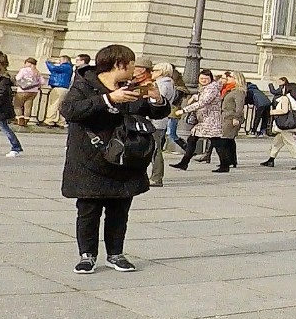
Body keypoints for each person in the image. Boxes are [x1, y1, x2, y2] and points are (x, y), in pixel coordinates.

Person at [60, 44, 169, 272]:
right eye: (131, 65)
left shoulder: (129, 87)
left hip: (124, 159)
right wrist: (109, 99)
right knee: (88, 210)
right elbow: (70, 110)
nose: (134, 69)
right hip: (89, 158)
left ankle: (115, 254)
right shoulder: (85, 85)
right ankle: (87, 255)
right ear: (119, 65)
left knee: (119, 211)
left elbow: (155, 112)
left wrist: (156, 99)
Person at [175, 70, 221, 170]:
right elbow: (202, 98)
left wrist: (184, 110)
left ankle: (225, 164)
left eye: (206, 79)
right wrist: (195, 96)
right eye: (201, 78)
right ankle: (184, 162)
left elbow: (203, 102)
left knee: (216, 142)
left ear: (211, 79)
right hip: (204, 119)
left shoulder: (212, 88)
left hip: (210, 119)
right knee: (192, 139)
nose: (203, 80)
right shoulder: (205, 88)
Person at [261, 79, 296, 169]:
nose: (281, 89)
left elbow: (284, 110)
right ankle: (271, 159)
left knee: (291, 143)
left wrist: (272, 112)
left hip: (285, 125)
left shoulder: (286, 98)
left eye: (283, 88)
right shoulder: (295, 99)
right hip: (291, 124)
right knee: (277, 142)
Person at [43, 53, 76, 125]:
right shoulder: (68, 68)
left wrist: (48, 62)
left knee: (54, 104)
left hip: (59, 87)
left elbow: (53, 68)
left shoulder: (65, 67)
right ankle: (60, 121)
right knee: (60, 105)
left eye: (60, 60)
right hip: (63, 87)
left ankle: (49, 120)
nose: (59, 62)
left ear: (65, 60)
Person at [12, 57, 44, 125]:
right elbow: (42, 82)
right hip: (34, 91)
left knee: (17, 105)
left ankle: (20, 119)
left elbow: (18, 78)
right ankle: (26, 120)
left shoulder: (24, 70)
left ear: (28, 63)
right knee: (28, 106)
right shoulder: (37, 72)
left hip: (22, 91)